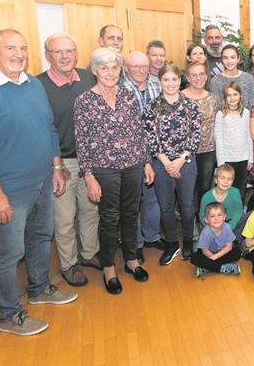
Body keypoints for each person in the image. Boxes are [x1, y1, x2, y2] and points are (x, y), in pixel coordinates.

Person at [0, 29, 77, 336]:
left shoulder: (33, 84)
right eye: (10, 48)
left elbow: (49, 129)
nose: (18, 54)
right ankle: (9, 315)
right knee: (8, 254)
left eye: (23, 48)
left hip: (42, 183)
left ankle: (39, 289)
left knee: (40, 239)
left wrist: (56, 167)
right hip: (8, 190)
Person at [74, 47, 154, 295]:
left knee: (130, 213)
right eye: (104, 68)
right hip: (104, 169)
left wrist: (147, 162)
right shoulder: (84, 101)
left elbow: (139, 132)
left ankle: (131, 260)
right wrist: (88, 176)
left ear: (121, 70)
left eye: (114, 67)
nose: (110, 72)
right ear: (95, 70)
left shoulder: (128, 96)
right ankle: (109, 267)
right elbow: (82, 141)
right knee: (109, 219)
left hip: (132, 165)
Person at [37, 33, 98, 287]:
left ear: (76, 53)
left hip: (90, 161)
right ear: (48, 55)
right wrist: (56, 166)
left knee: (91, 209)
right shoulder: (38, 85)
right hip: (60, 162)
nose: (65, 57)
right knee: (64, 218)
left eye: (69, 51)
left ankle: (90, 253)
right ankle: (69, 264)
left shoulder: (87, 78)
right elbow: (41, 128)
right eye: (58, 52)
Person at [142, 64, 202, 264]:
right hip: (161, 164)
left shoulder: (191, 106)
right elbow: (149, 137)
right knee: (166, 206)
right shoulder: (151, 107)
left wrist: (180, 160)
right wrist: (166, 162)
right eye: (166, 80)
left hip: (185, 162)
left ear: (180, 81)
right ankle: (171, 243)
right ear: (159, 82)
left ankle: (186, 241)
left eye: (174, 79)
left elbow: (195, 136)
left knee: (186, 205)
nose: (170, 84)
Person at [121, 51, 163, 261]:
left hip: (156, 152)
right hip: (131, 155)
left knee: (152, 198)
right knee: (132, 201)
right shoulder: (119, 89)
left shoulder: (157, 86)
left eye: (144, 66)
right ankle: (135, 243)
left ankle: (152, 237)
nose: (140, 70)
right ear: (126, 67)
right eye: (135, 66)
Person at [181, 62, 218, 206]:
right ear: (188, 78)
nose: (198, 78)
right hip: (185, 152)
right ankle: (187, 218)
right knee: (187, 188)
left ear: (206, 76)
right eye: (194, 75)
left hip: (207, 150)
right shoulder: (179, 98)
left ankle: (202, 217)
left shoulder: (213, 99)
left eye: (201, 74)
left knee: (204, 186)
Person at [215, 82, 253, 197]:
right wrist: (221, 162)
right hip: (227, 159)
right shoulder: (221, 114)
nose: (232, 98)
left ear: (240, 95)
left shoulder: (246, 113)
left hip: (242, 158)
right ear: (225, 98)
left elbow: (249, 136)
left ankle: (239, 214)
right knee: (226, 192)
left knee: (240, 191)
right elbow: (218, 139)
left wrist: (250, 158)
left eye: (235, 94)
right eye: (228, 95)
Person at [192, 203, 241, 277]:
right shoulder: (205, 232)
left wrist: (213, 258)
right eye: (212, 216)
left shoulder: (227, 227)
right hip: (209, 253)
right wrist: (212, 257)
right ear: (206, 220)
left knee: (237, 253)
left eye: (219, 215)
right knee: (194, 258)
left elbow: (229, 247)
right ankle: (223, 268)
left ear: (224, 217)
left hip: (223, 252)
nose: (216, 218)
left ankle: (207, 268)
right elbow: (204, 251)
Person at [209, 44, 254, 109]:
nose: (229, 61)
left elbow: (252, 105)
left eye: (232, 57)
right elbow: (216, 107)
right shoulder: (215, 81)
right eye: (225, 58)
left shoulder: (248, 78)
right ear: (222, 60)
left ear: (238, 59)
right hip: (223, 118)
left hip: (245, 118)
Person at [199, 164, 243, 231]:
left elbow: (238, 211)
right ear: (216, 180)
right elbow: (202, 216)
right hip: (212, 227)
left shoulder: (235, 192)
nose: (226, 181)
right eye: (222, 178)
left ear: (232, 181)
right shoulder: (206, 197)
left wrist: (229, 227)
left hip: (231, 225)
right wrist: (212, 228)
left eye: (229, 179)